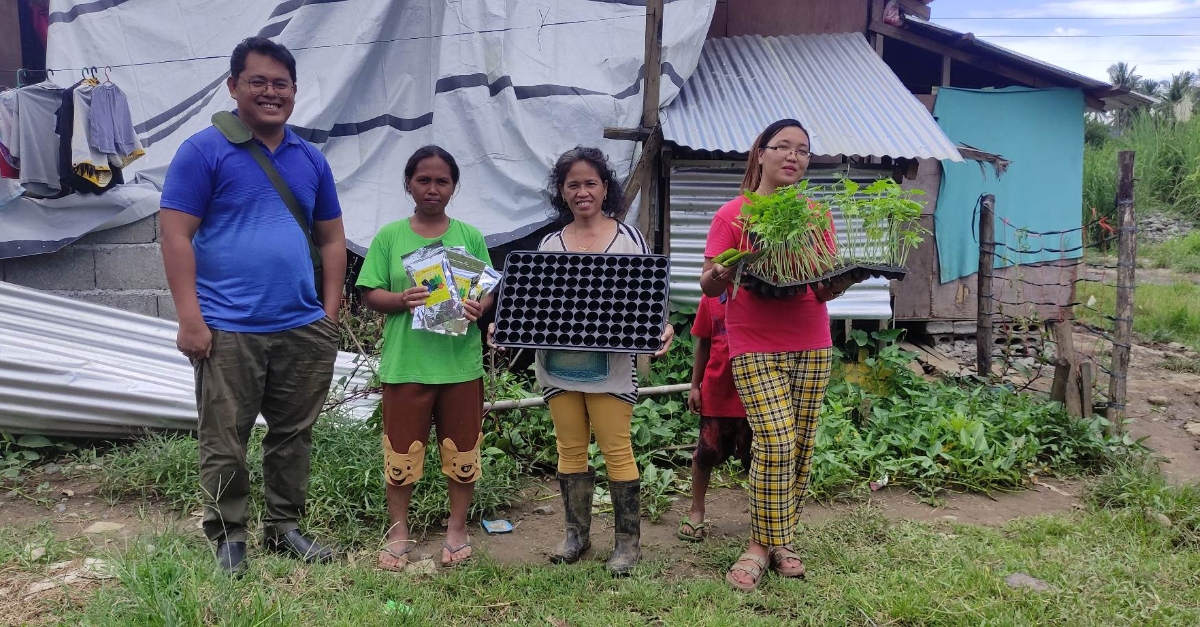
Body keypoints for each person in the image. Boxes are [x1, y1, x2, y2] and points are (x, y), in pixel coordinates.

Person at [160, 37, 347, 575]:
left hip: (301, 326)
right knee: (225, 441)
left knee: (293, 436)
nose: (270, 92)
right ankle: (229, 537)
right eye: (258, 82)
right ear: (234, 86)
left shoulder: (310, 158)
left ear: (293, 91)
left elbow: (332, 239)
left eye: (280, 84)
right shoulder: (203, 151)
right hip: (227, 328)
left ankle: (286, 527)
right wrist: (190, 320)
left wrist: (327, 314)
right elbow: (175, 237)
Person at [489, 147, 674, 576]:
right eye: (573, 184)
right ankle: (577, 536)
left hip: (610, 367)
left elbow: (650, 297)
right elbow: (530, 306)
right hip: (558, 364)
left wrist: (661, 327)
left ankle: (627, 544)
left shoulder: (629, 239)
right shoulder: (549, 244)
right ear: (562, 192)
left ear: (605, 187)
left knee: (616, 448)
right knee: (569, 448)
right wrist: (508, 324)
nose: (582, 191)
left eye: (590, 182)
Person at [699, 119, 860, 592]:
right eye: (783, 147)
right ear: (760, 154)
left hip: (812, 341)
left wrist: (848, 278)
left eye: (804, 150)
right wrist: (727, 271)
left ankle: (779, 542)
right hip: (753, 342)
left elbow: (824, 290)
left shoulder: (815, 217)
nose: (794, 156)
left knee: (802, 445)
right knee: (775, 442)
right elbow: (708, 284)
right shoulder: (733, 215)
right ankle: (757, 544)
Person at [356, 146, 493, 570]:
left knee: (463, 451)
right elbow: (368, 293)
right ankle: (399, 532)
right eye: (423, 180)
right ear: (408, 184)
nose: (432, 189)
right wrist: (402, 298)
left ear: (453, 187)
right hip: (406, 365)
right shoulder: (390, 237)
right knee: (400, 454)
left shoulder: (469, 235)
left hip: (459, 365)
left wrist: (478, 308)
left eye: (442, 181)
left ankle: (457, 529)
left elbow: (487, 289)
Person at [677, 292, 751, 543]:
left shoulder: (765, 298)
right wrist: (695, 385)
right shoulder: (711, 299)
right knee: (706, 453)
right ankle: (696, 510)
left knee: (759, 459)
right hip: (718, 392)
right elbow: (704, 343)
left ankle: (766, 518)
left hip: (756, 395)